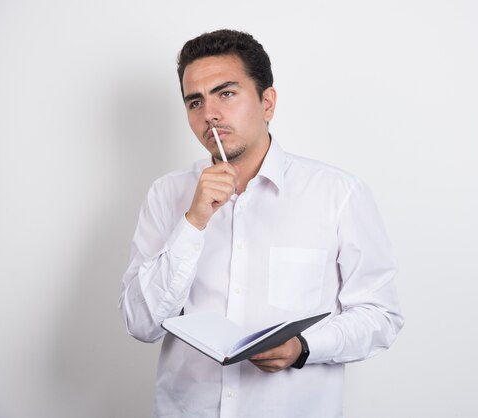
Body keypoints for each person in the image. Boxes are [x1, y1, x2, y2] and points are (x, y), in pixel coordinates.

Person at [119, 29, 403, 418]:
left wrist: (304, 346)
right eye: (195, 102)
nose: (210, 114)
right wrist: (193, 222)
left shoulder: (338, 194)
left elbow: (380, 315)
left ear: (267, 102)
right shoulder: (167, 195)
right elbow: (141, 323)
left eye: (227, 93)